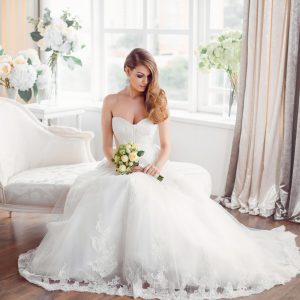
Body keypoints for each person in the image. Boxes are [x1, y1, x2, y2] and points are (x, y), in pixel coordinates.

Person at [18, 48, 300, 300]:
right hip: (117, 165)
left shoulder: (156, 100)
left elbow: (165, 146)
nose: (146, 82)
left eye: (150, 77)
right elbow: (105, 144)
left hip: (151, 166)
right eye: (140, 75)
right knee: (119, 190)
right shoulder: (111, 101)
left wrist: (155, 167)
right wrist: (120, 164)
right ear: (127, 71)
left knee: (146, 193)